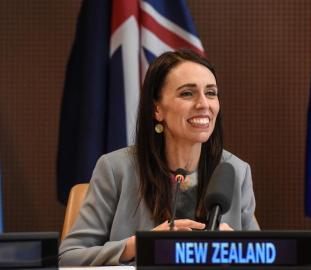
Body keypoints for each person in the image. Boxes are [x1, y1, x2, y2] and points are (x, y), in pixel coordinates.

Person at [58, 49, 259, 266]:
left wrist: (238, 248)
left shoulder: (235, 170)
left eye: (211, 93)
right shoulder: (116, 168)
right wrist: (142, 244)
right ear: (157, 109)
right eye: (187, 94)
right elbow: (69, 258)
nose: (204, 104)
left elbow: (265, 257)